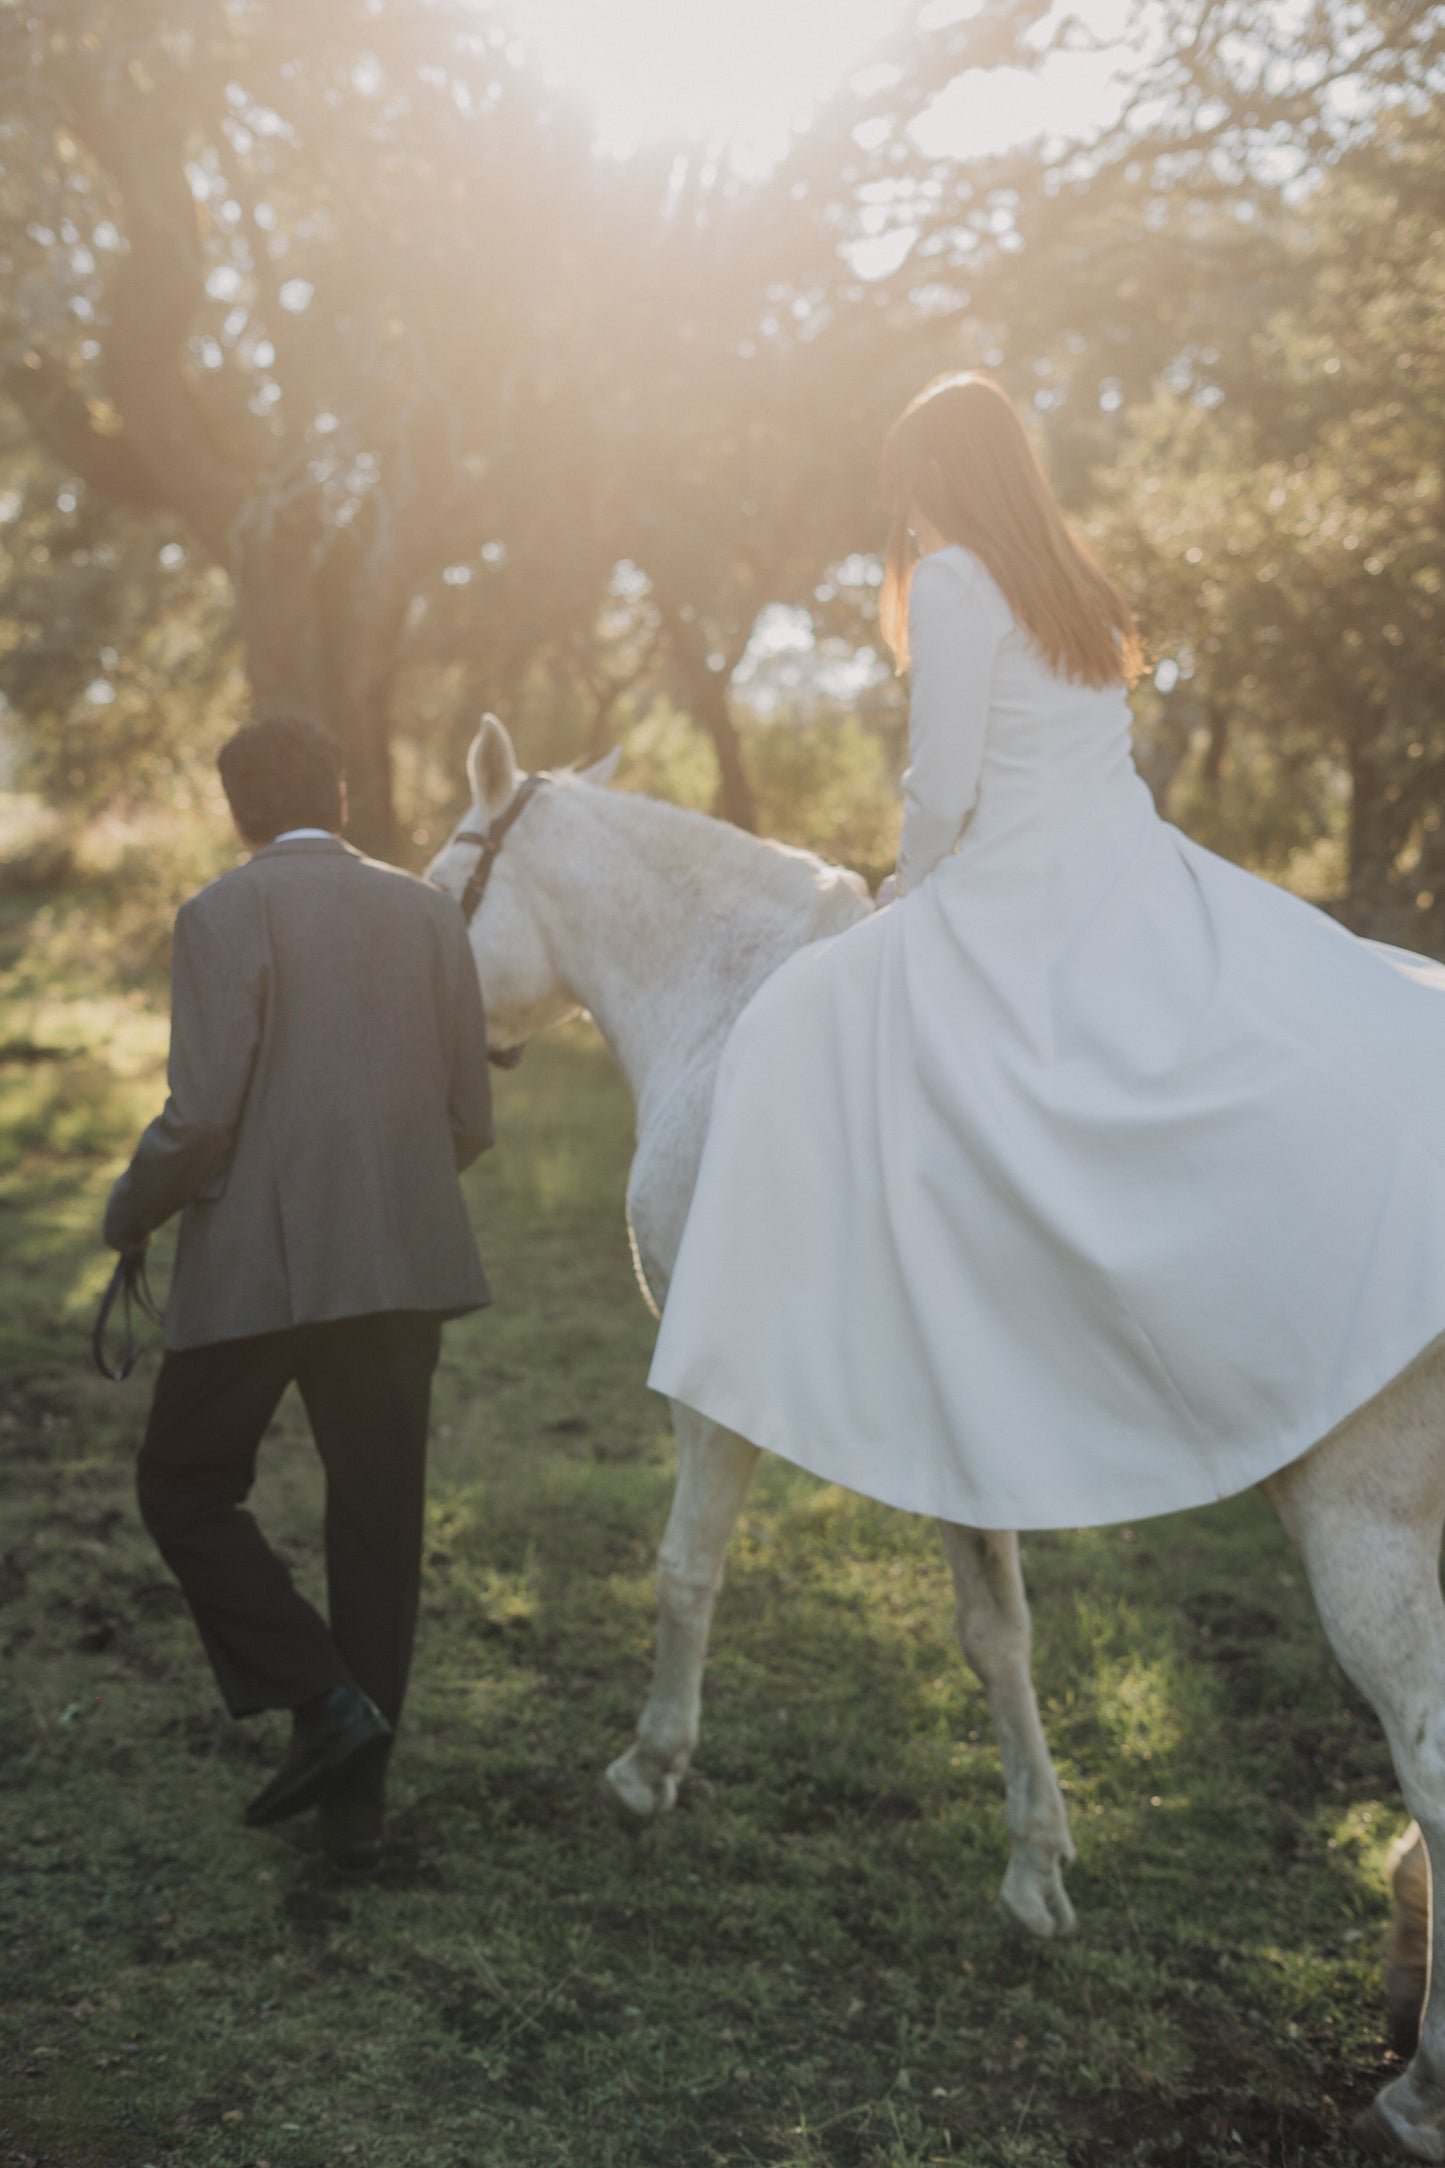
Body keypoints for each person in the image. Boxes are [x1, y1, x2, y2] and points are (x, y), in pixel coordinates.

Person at [648, 372, 1445, 1531]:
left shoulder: (958, 581)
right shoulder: (1068, 580)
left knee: (794, 1015)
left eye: (905, 491)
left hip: (1011, 888)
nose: (902, 519)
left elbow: (942, 783)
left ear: (936, 478)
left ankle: (806, 1327)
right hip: (1121, 867)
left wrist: (904, 885)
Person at [105, 714, 494, 1871]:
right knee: (376, 1525)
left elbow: (203, 1114)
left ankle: (319, 1694)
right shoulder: (431, 911)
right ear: (342, 791)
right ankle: (354, 1820)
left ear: (238, 810)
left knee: (182, 1482)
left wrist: (132, 1211)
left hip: (257, 1270)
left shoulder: (220, 913)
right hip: (397, 1267)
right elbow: (469, 1115)